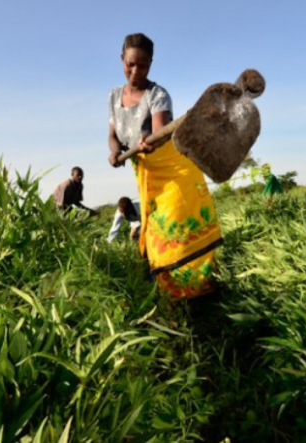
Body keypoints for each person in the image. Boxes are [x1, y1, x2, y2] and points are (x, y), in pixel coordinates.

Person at [107, 33, 223, 300]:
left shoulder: (158, 95)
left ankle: (199, 293)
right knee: (154, 234)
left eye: (144, 65)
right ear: (122, 59)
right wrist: (114, 153)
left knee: (177, 228)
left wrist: (150, 141)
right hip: (145, 174)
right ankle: (169, 293)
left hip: (172, 169)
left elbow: (160, 130)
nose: (136, 71)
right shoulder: (113, 97)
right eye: (130, 64)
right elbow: (113, 135)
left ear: (151, 64)